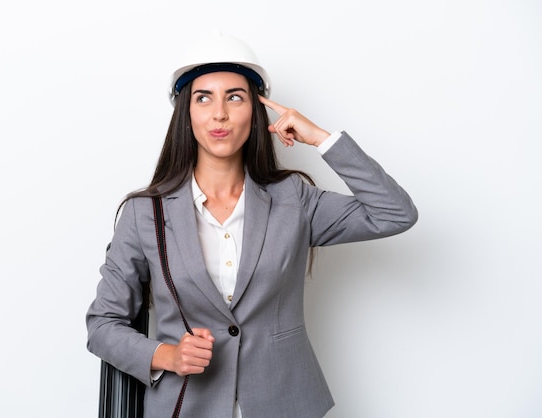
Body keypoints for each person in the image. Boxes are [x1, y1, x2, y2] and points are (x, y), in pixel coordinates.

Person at [86, 33, 418, 418]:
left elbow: (395, 213)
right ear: (186, 113)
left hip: (286, 403)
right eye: (203, 97)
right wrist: (168, 355)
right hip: (187, 406)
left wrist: (322, 140)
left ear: (256, 111)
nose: (219, 114)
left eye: (235, 97)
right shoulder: (146, 214)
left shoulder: (293, 199)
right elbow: (103, 324)